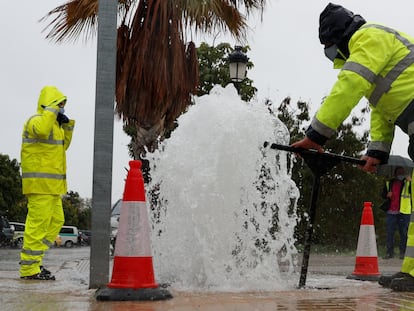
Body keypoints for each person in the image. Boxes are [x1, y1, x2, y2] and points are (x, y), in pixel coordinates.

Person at [291, 3, 414, 291]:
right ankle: (411, 273)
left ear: (340, 36)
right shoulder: (373, 47)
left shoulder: (368, 37)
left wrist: (316, 135)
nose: (330, 53)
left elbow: (349, 86)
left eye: (329, 46)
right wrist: (377, 152)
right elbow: (381, 107)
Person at [19, 86, 75, 280]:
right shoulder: (35, 121)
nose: (61, 108)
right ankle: (29, 269)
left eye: (62, 105)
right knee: (37, 224)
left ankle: (36, 260)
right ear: (49, 104)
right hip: (39, 184)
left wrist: (66, 126)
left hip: (52, 187)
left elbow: (64, 146)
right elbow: (42, 131)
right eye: (59, 104)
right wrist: (51, 111)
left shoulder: (56, 126)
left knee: (56, 221)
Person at [381, 167, 411, 259]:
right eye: (399, 172)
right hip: (391, 211)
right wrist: (387, 195)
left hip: (403, 211)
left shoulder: (407, 183)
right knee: (390, 233)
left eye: (402, 172)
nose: (400, 174)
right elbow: (382, 194)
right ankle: (389, 252)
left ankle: (403, 252)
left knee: (404, 233)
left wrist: (411, 181)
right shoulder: (389, 183)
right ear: (395, 173)